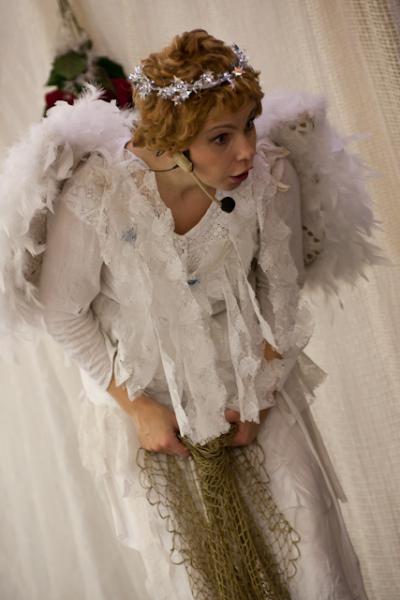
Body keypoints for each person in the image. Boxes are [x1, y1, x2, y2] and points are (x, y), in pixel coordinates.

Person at [2, 29, 382, 600]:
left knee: (309, 547)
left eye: (249, 124)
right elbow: (63, 312)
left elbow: (280, 294)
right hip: (147, 400)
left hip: (249, 381)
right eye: (221, 138)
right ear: (174, 138)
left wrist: (260, 396)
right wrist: (139, 409)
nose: (246, 150)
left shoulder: (269, 175)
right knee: (201, 575)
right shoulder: (98, 192)